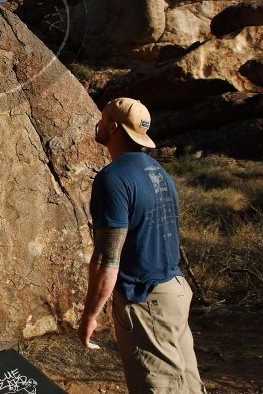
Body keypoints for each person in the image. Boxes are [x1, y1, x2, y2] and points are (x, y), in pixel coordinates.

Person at [79, 97, 206, 393]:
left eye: (102, 118)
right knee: (187, 385)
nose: (97, 123)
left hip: (146, 299)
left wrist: (90, 315)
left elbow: (107, 259)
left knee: (158, 387)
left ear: (112, 127)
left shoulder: (113, 179)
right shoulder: (161, 173)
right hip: (174, 290)